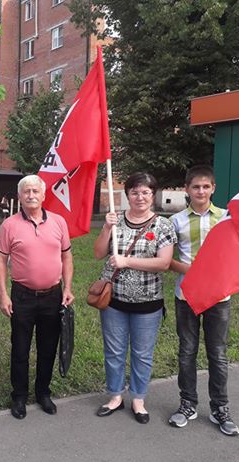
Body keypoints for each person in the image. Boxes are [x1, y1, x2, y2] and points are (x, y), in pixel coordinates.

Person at [93, 172, 176, 424]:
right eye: (135, 192)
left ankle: (138, 399)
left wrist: (127, 261)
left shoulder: (163, 225)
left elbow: (163, 263)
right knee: (114, 351)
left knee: (142, 354)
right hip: (113, 301)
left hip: (147, 303)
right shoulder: (115, 219)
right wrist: (106, 228)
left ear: (153, 195)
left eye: (145, 192)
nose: (140, 197)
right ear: (127, 194)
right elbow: (98, 253)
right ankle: (115, 396)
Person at [168, 165, 239, 436]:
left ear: (213, 188)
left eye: (205, 186)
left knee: (217, 353)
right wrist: (192, 270)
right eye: (195, 187)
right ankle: (187, 404)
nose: (201, 191)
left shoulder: (226, 217)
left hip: (218, 296)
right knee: (187, 351)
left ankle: (220, 408)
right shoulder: (175, 221)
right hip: (186, 294)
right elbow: (166, 260)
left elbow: (236, 254)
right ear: (186, 189)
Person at [0, 175, 74, 420]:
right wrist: (3, 294)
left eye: (35, 191)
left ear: (43, 195)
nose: (31, 195)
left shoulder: (59, 222)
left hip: (53, 296)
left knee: (47, 347)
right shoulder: (9, 225)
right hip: (22, 296)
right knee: (20, 348)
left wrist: (68, 288)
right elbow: (0, 261)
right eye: (26, 191)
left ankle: (43, 392)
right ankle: (19, 396)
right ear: (19, 196)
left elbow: (67, 257)